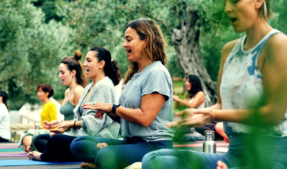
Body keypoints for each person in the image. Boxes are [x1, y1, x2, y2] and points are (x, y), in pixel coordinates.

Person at [142, 0, 287, 169]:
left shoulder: (279, 44)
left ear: (258, 1)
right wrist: (199, 113)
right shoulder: (229, 50)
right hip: (235, 154)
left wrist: (214, 115)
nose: (227, 8)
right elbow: (221, 105)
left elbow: (273, 114)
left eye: (234, 1)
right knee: (153, 160)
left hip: (275, 155)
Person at [70, 18, 174, 169]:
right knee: (78, 143)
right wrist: (108, 111)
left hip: (154, 146)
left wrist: (113, 108)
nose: (124, 44)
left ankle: (105, 158)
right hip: (132, 142)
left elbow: (145, 118)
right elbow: (127, 118)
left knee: (105, 154)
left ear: (145, 41)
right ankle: (107, 160)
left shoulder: (156, 72)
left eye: (129, 39)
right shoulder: (135, 75)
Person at [27, 47, 121, 162]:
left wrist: (68, 125)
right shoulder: (89, 87)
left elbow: (94, 125)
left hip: (96, 139)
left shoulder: (104, 86)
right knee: (40, 139)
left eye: (89, 61)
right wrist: (62, 125)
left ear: (101, 64)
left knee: (55, 140)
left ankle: (45, 156)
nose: (85, 64)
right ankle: (61, 155)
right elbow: (79, 118)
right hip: (81, 137)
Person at [19, 50, 88, 152]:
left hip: (71, 135)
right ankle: (39, 147)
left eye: (62, 72)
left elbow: (83, 120)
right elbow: (67, 119)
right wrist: (56, 123)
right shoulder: (67, 92)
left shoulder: (79, 91)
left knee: (38, 139)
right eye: (59, 72)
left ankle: (39, 148)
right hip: (62, 131)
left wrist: (62, 125)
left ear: (73, 72)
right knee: (27, 134)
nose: (59, 76)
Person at [19, 84, 57, 152]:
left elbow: (54, 124)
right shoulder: (45, 104)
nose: (37, 93)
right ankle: (30, 147)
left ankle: (31, 147)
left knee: (26, 133)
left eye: (40, 91)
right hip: (44, 130)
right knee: (27, 134)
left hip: (50, 132)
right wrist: (38, 127)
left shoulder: (51, 105)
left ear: (47, 93)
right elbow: (45, 123)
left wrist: (40, 128)